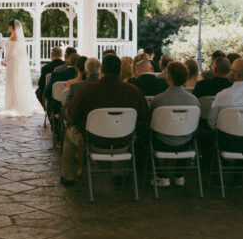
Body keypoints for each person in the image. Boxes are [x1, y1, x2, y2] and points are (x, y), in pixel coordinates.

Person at [61, 54, 149, 186]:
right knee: (120, 130)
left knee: (69, 132)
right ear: (120, 71)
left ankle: (68, 176)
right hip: (124, 142)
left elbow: (71, 115)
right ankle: (119, 173)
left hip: (92, 142)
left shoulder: (86, 91)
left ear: (102, 70)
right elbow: (144, 117)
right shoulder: (134, 92)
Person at [149, 61, 200, 187]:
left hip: (161, 143)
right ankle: (179, 175)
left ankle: (161, 175)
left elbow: (151, 122)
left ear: (168, 77)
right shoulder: (194, 101)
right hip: (185, 143)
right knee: (184, 132)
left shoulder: (158, 100)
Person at [1, 19, 38, 116]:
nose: (8, 27)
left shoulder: (14, 36)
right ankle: (15, 102)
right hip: (14, 61)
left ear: (11, 27)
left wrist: (4, 61)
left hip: (12, 62)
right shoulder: (14, 35)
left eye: (9, 25)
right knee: (14, 81)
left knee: (12, 82)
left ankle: (13, 104)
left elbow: (11, 52)